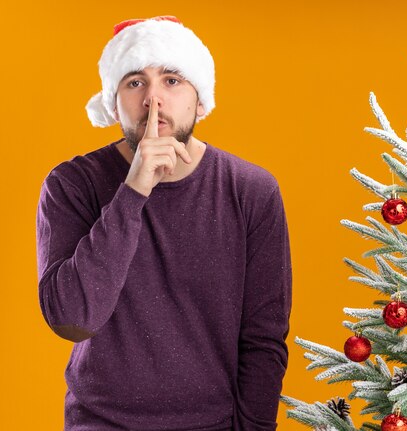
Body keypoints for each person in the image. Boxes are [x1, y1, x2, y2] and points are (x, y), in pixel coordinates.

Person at [35, 16, 292, 431]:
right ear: (113, 101)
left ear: (201, 100)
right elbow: (72, 319)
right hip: (101, 423)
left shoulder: (251, 191)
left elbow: (264, 341)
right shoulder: (71, 185)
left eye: (172, 80)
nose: (154, 100)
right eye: (135, 82)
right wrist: (135, 188)